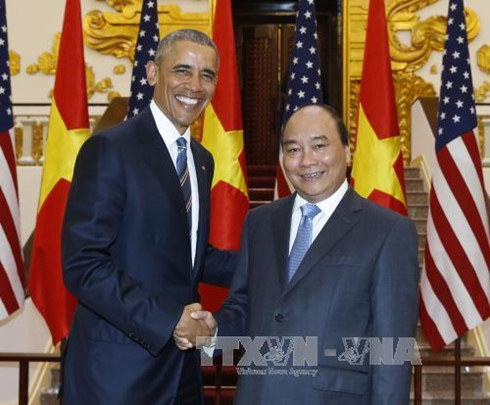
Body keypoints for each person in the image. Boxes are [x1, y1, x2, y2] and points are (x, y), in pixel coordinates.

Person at [194, 104, 419, 404]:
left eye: (319, 146)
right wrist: (215, 330)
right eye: (293, 150)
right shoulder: (260, 222)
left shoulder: (388, 231)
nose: (306, 160)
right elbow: (245, 304)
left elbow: (392, 350)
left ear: (347, 151)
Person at [61, 29, 236, 404]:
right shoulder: (110, 148)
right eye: (182, 70)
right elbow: (83, 264)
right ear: (153, 73)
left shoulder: (201, 160)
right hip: (117, 376)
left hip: (182, 374)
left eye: (207, 75)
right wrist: (170, 320)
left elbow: (188, 256)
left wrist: (278, 262)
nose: (195, 85)